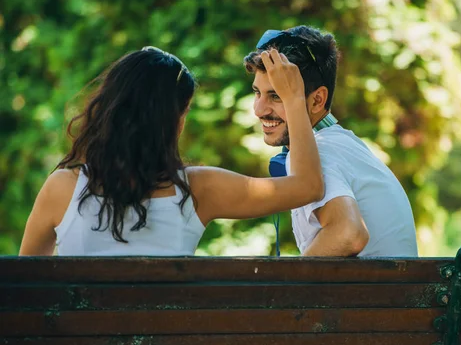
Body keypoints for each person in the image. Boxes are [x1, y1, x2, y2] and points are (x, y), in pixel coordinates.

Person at [19, 46, 323, 256]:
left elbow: (27, 293)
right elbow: (308, 186)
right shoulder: (199, 191)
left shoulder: (62, 189)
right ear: (173, 121)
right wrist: (293, 98)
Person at [244, 26, 418, 257]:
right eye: (258, 93)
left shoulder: (318, 152)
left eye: (277, 96)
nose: (259, 110)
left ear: (317, 100)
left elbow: (349, 233)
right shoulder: (345, 144)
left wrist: (288, 288)